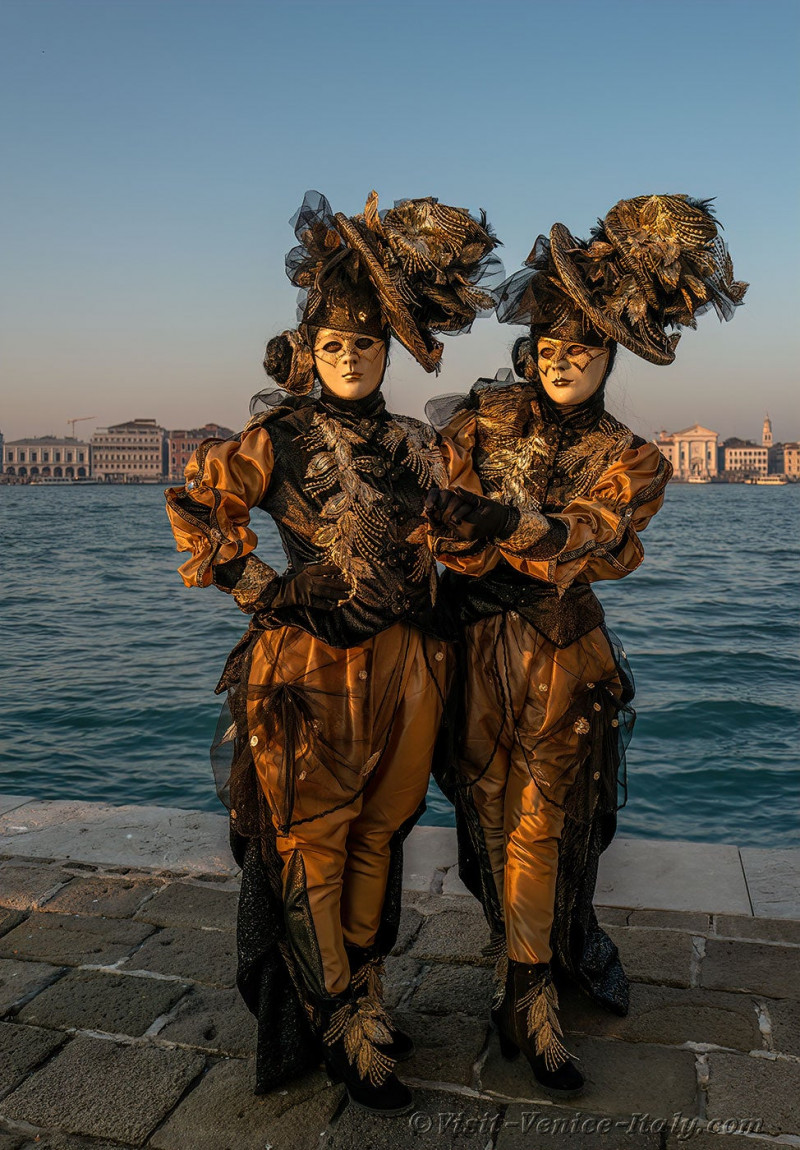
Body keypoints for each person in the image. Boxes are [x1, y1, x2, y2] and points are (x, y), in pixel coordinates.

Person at [165, 189, 500, 1115]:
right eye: (332, 345)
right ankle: (335, 1011)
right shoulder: (277, 436)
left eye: (364, 343)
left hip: (411, 664)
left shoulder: (419, 442)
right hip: (312, 664)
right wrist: (266, 588)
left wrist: (473, 532)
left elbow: (459, 542)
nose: (349, 357)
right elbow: (199, 509)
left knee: (381, 831)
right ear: (307, 352)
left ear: (389, 350)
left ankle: (364, 984)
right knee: (314, 838)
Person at [424, 195, 747, 1096]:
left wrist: (508, 525)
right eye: (550, 348)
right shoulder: (477, 419)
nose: (564, 362)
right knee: (488, 824)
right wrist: (491, 534)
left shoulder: (631, 456)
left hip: (562, 660)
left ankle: (532, 1001)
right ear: (530, 351)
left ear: (610, 357)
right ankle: (513, 965)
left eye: (585, 349)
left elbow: (596, 535)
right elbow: (444, 526)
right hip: (467, 651)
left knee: (542, 824)